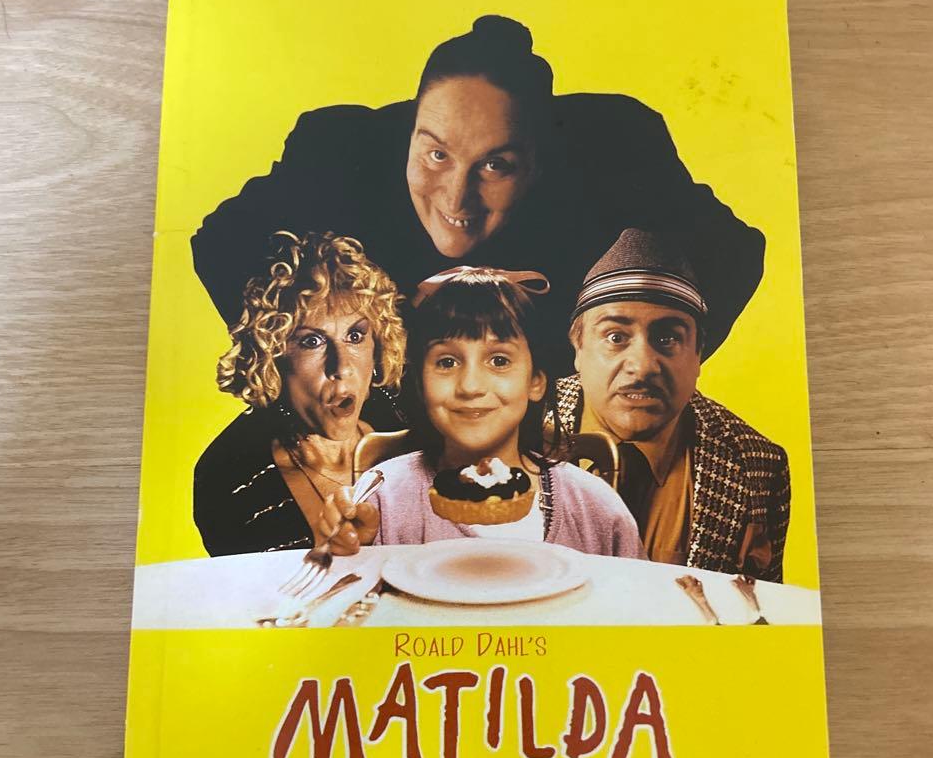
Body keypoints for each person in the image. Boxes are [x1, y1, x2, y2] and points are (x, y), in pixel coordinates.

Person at [192, 15, 765, 376]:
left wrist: (607, 385)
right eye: (435, 155)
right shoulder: (341, 151)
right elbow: (219, 244)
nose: (456, 198)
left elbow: (734, 253)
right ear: (409, 130)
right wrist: (318, 376)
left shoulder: (614, 148)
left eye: (495, 165)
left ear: (540, 159)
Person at [317, 267, 642, 559]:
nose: (470, 386)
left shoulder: (596, 508)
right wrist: (350, 553)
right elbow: (346, 597)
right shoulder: (382, 499)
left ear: (535, 381)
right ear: (421, 383)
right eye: (447, 362)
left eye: (499, 360)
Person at [556, 228, 790, 581]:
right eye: (616, 337)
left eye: (667, 338)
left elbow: (762, 605)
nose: (643, 366)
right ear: (578, 348)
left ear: (698, 355)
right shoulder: (507, 428)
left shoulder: (758, 465)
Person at [192, 231, 407, 556]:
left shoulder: (417, 429)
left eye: (355, 336)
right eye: (311, 342)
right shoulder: (230, 478)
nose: (342, 367)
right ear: (270, 357)